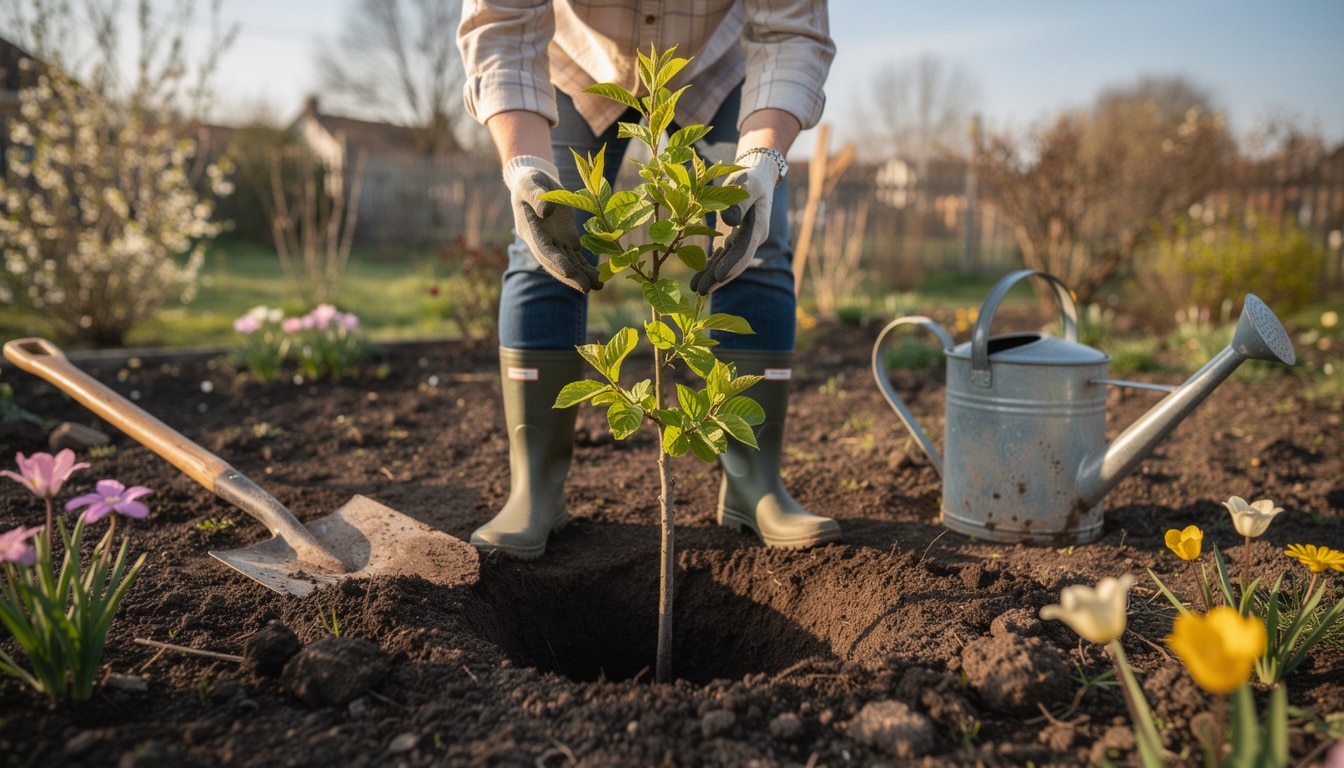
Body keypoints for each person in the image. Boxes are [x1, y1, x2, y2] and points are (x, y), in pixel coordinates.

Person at [457, 0, 841, 559]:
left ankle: (754, 484)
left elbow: (792, 31)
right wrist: (523, 169)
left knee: (758, 238)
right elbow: (499, 23)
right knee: (546, 238)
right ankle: (534, 491)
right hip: (575, 64)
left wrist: (763, 163)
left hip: (722, 68)